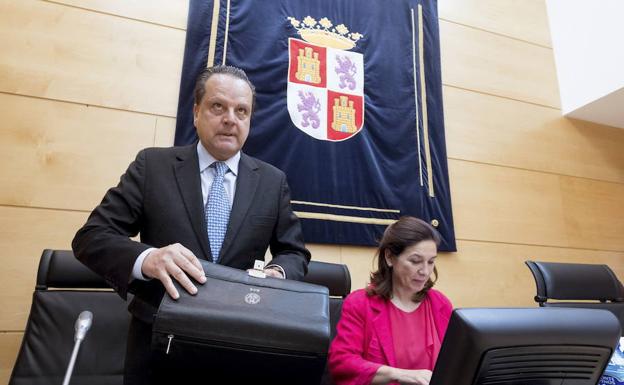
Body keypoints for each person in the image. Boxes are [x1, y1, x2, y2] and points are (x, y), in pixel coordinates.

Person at [72, 65, 311, 385]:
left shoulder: (271, 181)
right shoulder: (153, 166)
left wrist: (276, 274)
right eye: (218, 106)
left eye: (242, 111)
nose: (230, 119)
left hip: (237, 347)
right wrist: (148, 259)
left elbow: (293, 252)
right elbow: (91, 237)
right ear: (196, 112)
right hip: (159, 348)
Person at [328, 216, 452, 385]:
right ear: (389, 257)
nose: (425, 271)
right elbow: (342, 363)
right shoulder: (360, 303)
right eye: (415, 261)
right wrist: (399, 374)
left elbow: (456, 361)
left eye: (431, 262)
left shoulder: (440, 303)